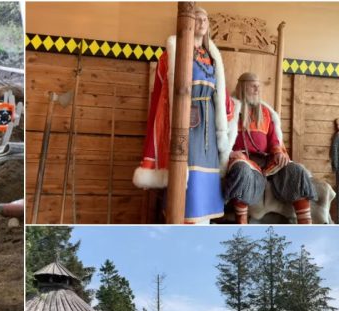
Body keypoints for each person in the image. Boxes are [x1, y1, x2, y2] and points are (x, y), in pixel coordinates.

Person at [133, 7, 234, 223]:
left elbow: (222, 96)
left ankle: (203, 225)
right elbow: (161, 97)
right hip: (186, 123)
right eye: (197, 18)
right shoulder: (172, 54)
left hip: (209, 127)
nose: (202, 22)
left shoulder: (212, 57)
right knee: (188, 179)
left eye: (205, 19)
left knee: (207, 182)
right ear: (186, 23)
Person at [224, 72, 317, 224]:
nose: (257, 90)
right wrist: (229, 153)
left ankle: (306, 224)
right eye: (253, 86)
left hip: (268, 161)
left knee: (296, 170)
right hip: (243, 159)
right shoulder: (231, 110)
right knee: (241, 170)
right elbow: (221, 137)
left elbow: (274, 139)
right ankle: (241, 224)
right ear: (242, 86)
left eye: (259, 87)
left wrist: (278, 152)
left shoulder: (266, 112)